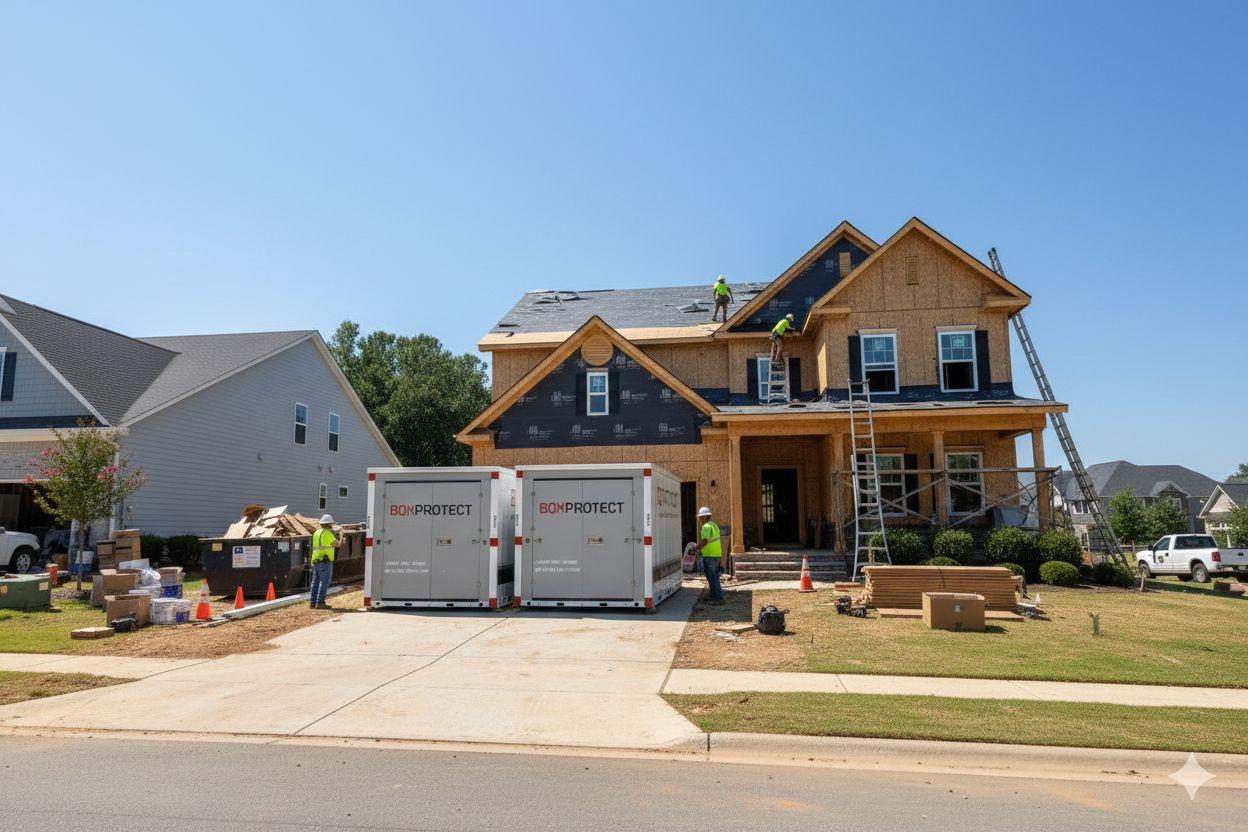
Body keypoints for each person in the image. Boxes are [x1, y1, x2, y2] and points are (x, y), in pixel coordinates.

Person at [310, 513, 342, 609]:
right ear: (329, 524)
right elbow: (337, 544)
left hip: (316, 560)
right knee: (324, 582)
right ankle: (320, 603)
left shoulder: (316, 532)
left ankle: (312, 603)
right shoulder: (327, 534)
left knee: (315, 582)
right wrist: (341, 535)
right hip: (325, 562)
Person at [697, 506, 725, 605]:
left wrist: (696, 548)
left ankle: (717, 598)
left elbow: (705, 541)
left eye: (702, 517)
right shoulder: (714, 525)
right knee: (715, 576)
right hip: (716, 554)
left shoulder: (706, 527)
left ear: (707, 516)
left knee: (712, 576)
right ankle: (715, 595)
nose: (700, 519)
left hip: (709, 555)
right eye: (700, 517)